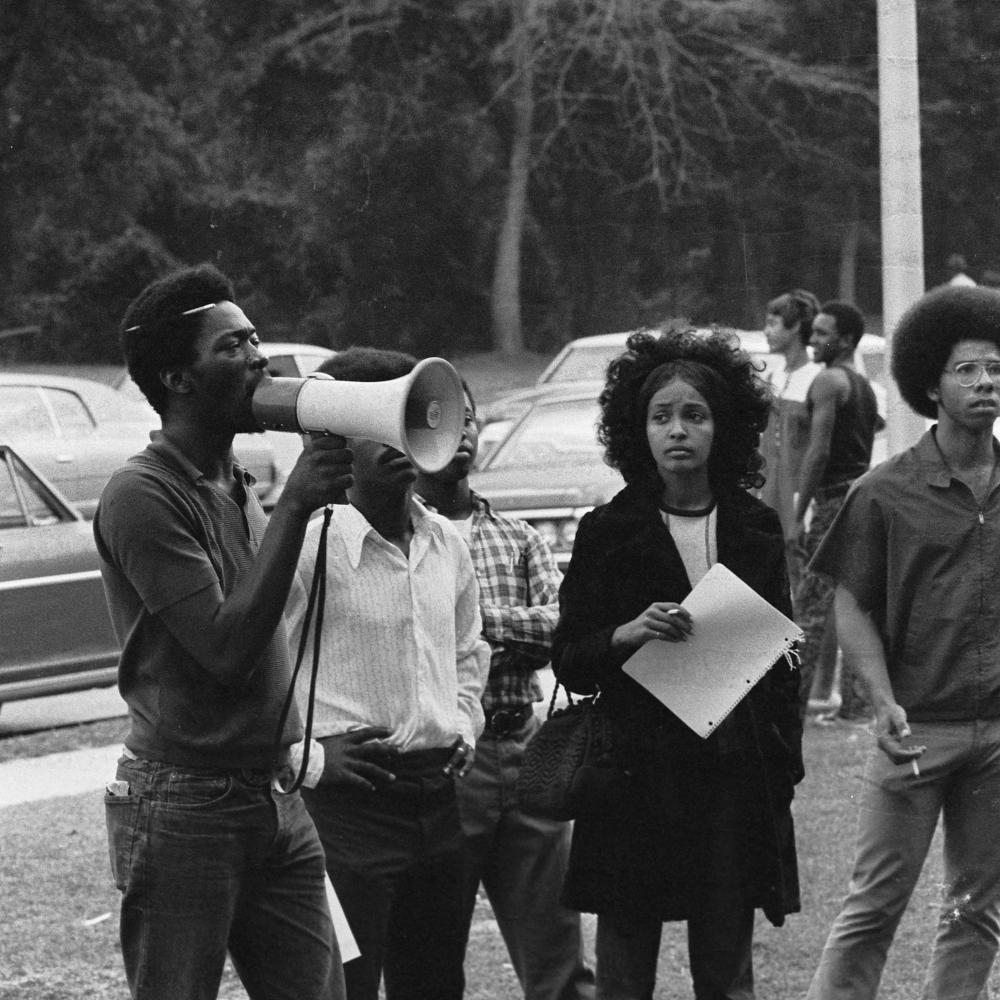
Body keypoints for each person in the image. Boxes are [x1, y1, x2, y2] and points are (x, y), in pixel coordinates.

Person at [93, 263, 353, 1000]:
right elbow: (225, 650)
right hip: (184, 803)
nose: (258, 359)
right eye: (232, 346)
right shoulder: (141, 494)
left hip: (272, 794)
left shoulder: (235, 482)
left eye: (255, 339)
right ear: (178, 378)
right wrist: (297, 505)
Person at [551, 328, 803, 1000]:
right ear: (638, 431)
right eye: (661, 416)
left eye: (695, 414)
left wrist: (785, 765)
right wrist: (627, 634)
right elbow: (569, 659)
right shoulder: (607, 530)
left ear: (725, 427)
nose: (678, 431)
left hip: (730, 779)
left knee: (727, 973)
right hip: (635, 781)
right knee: (625, 972)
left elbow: (783, 663)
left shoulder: (755, 526)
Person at [805, 283, 1000, 999]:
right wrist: (882, 701)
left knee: (976, 912)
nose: (985, 383)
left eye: (996, 368)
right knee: (873, 907)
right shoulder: (883, 492)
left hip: (998, 734)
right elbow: (852, 605)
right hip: (916, 729)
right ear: (930, 385)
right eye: (966, 369)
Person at [284, 347, 491, 1000]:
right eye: (379, 423)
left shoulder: (447, 542)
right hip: (346, 814)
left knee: (435, 986)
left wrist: (463, 725)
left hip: (438, 803)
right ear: (339, 439)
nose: (400, 441)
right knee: (343, 986)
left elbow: (468, 650)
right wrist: (308, 760)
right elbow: (255, 672)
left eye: (410, 419)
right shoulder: (305, 546)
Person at [413, 382, 596, 1000]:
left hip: (525, 748)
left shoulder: (518, 536)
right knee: (433, 957)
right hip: (446, 761)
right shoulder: (401, 539)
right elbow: (414, 641)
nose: (460, 432)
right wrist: (508, 628)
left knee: (558, 957)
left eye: (468, 418)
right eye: (440, 420)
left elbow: (560, 629)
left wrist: (469, 622)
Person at [793, 301, 880, 720]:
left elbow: (819, 451)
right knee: (854, 606)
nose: (812, 339)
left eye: (822, 333)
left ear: (845, 340)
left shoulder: (827, 381)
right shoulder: (863, 385)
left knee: (810, 608)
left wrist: (797, 515)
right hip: (861, 498)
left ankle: (788, 704)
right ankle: (857, 707)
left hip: (832, 503)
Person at [758, 288, 823, 592]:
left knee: (803, 572)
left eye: (772, 323)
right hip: (770, 491)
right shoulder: (773, 377)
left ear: (795, 326)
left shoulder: (817, 377)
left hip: (798, 494)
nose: (766, 331)